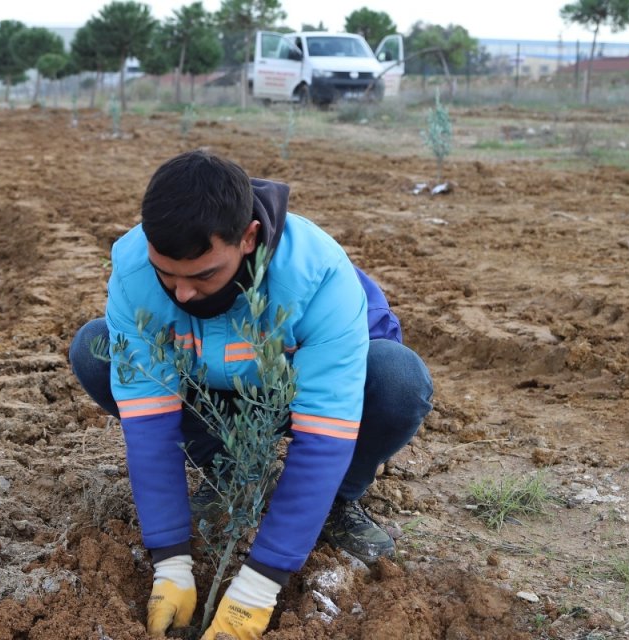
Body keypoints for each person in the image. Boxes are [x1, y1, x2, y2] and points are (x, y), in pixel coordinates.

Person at [68, 149, 433, 639]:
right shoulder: (134, 270)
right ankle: (230, 476)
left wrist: (261, 585)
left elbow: (324, 434)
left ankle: (337, 504)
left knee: (397, 378)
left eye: (202, 275)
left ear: (248, 239)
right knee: (96, 352)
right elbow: (149, 425)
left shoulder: (318, 275)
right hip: (209, 391)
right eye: (166, 273)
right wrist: (170, 560)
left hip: (306, 392)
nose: (181, 294)